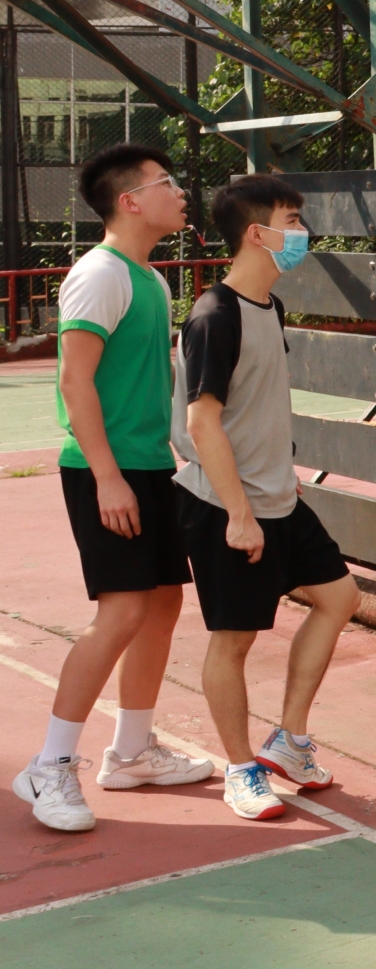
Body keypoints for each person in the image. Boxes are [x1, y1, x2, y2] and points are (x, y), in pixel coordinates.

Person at [15, 145, 211, 832]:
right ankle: (50, 764)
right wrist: (107, 477)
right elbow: (74, 381)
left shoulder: (149, 279)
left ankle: (130, 751)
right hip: (108, 467)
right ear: (129, 200)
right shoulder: (99, 275)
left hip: (149, 466)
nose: (179, 192)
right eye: (165, 183)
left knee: (160, 605)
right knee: (123, 611)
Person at [174, 175, 361, 822]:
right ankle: (239, 768)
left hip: (278, 497)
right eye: (291, 219)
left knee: (340, 597)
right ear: (257, 233)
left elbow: (255, 409)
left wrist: (276, 483)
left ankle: (289, 739)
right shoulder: (214, 315)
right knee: (234, 640)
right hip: (227, 506)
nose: (300, 233)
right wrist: (239, 513)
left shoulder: (269, 308)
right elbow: (201, 422)